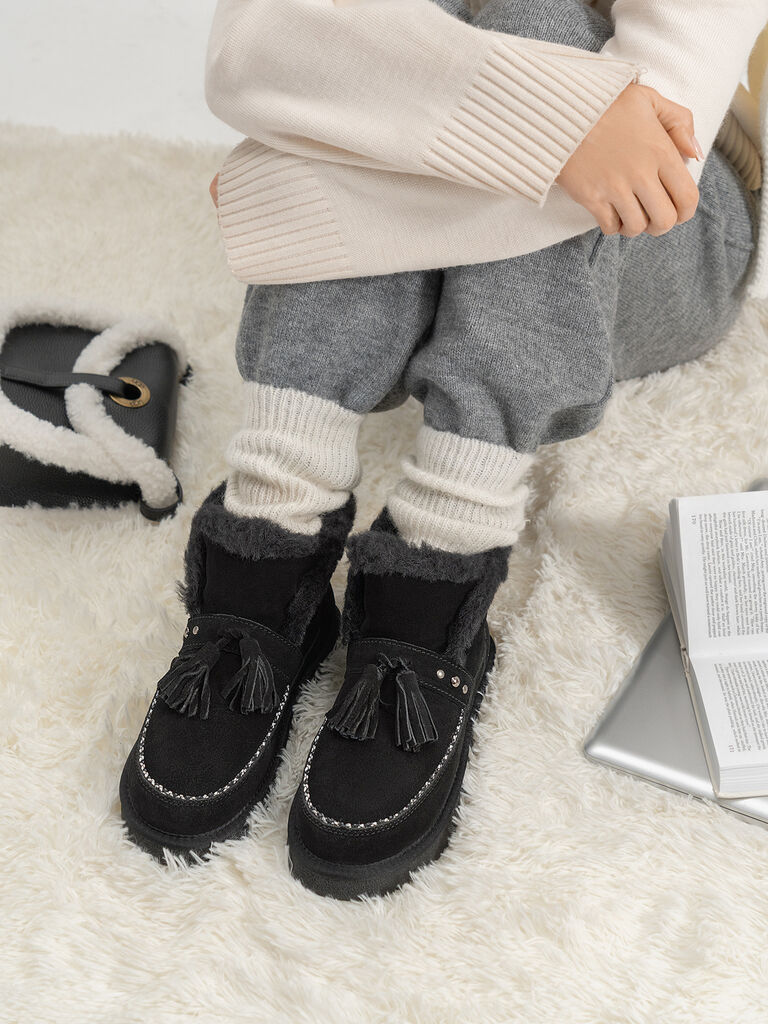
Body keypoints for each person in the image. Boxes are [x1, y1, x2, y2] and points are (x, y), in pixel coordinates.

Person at [119, 0, 765, 899]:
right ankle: (277, 520)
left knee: (540, 29)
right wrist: (536, 122)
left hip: (669, 223)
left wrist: (317, 148)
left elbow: (653, 126)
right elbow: (253, 45)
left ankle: (449, 537)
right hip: (471, 149)